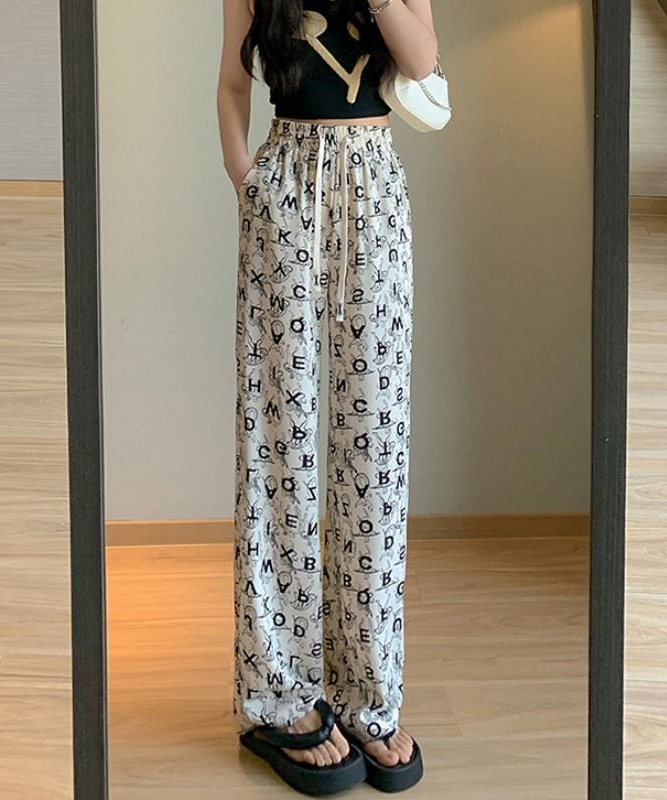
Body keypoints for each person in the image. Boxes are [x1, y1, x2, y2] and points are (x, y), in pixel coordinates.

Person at [217, 0, 437, 794]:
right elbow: (232, 84)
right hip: (286, 189)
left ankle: (365, 691)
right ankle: (279, 696)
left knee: (375, 455)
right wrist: (248, 181)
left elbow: (422, 61)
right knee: (279, 444)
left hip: (374, 190)